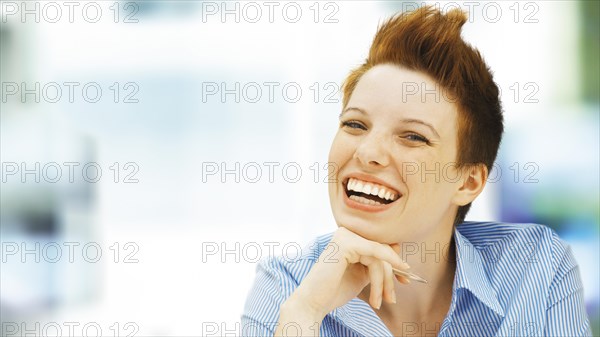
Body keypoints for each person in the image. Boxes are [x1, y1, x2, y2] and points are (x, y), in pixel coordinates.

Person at [241, 6, 593, 337]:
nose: (368, 153)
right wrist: (305, 313)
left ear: (468, 182)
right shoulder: (288, 289)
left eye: (413, 136)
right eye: (355, 124)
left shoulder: (536, 269)